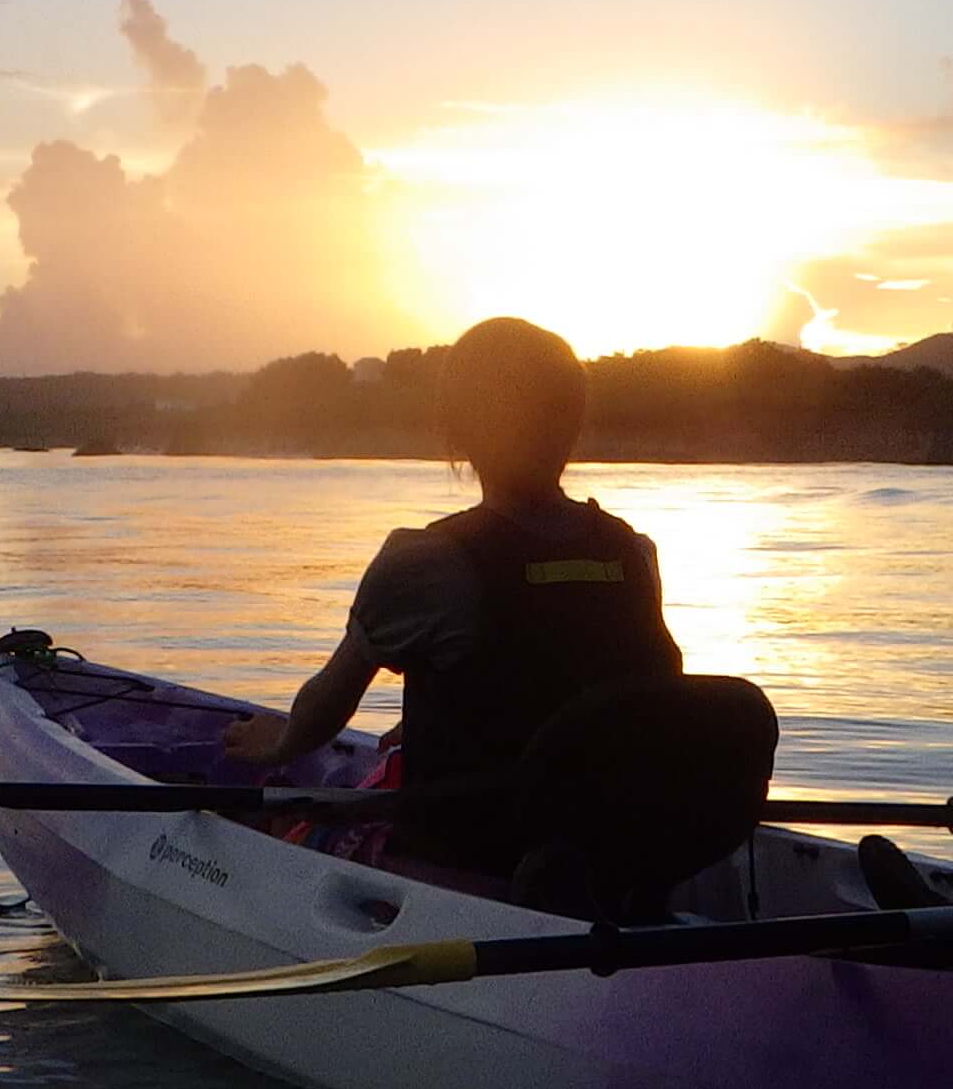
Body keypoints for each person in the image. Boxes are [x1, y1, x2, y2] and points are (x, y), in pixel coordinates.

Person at [223, 316, 694, 885]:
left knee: (278, 822)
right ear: (573, 425)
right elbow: (596, 686)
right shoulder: (633, 555)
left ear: (458, 430)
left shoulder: (425, 562)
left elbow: (324, 711)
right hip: (604, 863)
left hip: (464, 869)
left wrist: (277, 743)